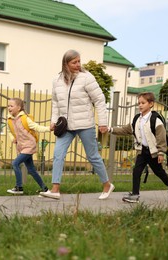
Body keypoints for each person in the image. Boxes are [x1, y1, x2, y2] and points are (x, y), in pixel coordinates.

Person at [40, 49, 115, 200]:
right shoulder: (57, 80)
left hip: (85, 124)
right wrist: (54, 120)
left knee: (92, 156)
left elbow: (99, 100)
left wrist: (102, 123)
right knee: (58, 154)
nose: (78, 65)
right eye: (74, 62)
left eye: (79, 61)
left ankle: (107, 185)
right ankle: (55, 189)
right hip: (65, 126)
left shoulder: (87, 78)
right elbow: (56, 102)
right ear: (65, 63)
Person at [108, 92, 168, 203]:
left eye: (143, 103)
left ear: (151, 104)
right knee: (136, 171)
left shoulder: (155, 120)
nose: (140, 105)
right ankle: (135, 194)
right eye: (139, 103)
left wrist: (161, 153)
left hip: (153, 152)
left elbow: (161, 138)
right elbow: (125, 130)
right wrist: (110, 129)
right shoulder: (137, 119)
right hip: (142, 151)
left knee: (158, 171)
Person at [6, 97, 51, 195]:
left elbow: (36, 127)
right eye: (8, 106)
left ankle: (19, 187)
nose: (9, 108)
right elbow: (9, 130)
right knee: (31, 170)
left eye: (11, 106)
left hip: (29, 146)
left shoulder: (25, 118)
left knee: (15, 163)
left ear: (19, 108)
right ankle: (45, 189)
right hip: (21, 147)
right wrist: (12, 138)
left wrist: (49, 128)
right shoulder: (9, 120)